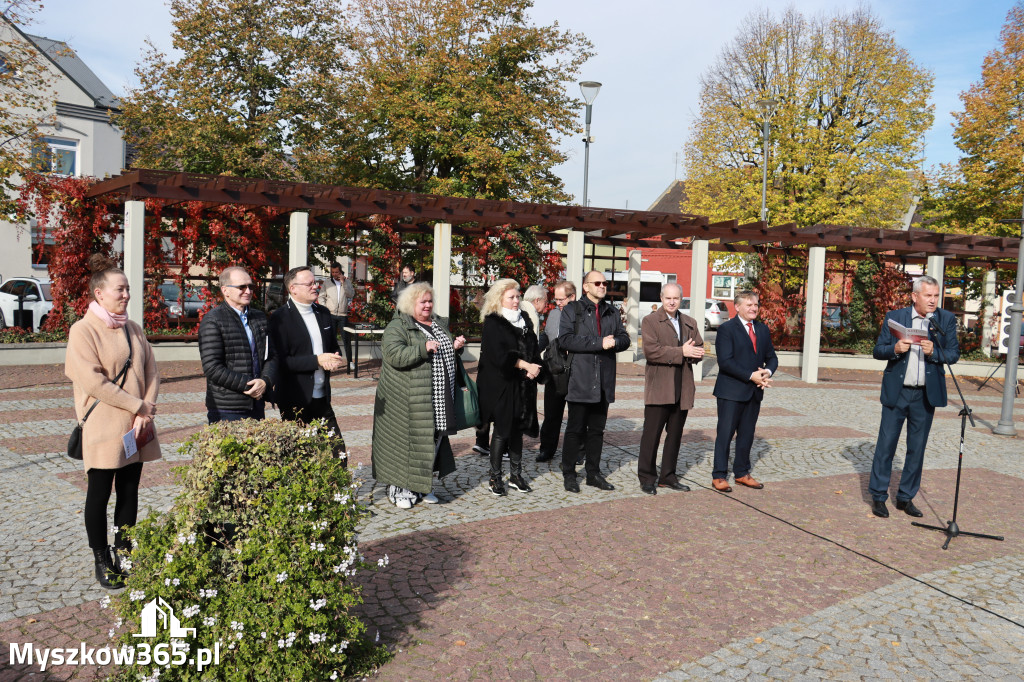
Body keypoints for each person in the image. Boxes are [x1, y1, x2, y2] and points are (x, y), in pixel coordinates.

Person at [65, 254, 160, 589]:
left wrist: (144, 411)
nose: (126, 295)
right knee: (100, 493)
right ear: (99, 293)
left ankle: (124, 551)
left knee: (130, 491)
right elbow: (93, 382)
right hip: (104, 427)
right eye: (119, 289)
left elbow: (152, 371)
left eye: (128, 289)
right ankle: (101, 558)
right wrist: (138, 405)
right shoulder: (83, 330)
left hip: (136, 426)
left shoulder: (134, 328)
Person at [868, 275, 959, 518]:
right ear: (914, 296)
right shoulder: (895, 317)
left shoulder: (945, 319)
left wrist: (935, 352)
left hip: (925, 396)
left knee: (916, 449)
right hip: (897, 393)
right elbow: (878, 351)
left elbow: (953, 354)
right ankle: (878, 497)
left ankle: (905, 497)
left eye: (936, 296)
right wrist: (895, 349)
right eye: (928, 295)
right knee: (886, 446)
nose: (932, 300)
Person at [372, 282, 466, 508]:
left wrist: (455, 347)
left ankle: (422, 486)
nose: (427, 305)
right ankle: (399, 488)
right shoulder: (398, 326)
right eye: (422, 301)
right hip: (407, 398)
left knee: (432, 441)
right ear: (410, 303)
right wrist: (422, 349)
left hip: (439, 397)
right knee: (405, 443)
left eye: (430, 301)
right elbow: (394, 355)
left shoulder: (438, 323)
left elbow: (442, 351)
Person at [558, 270, 631, 493]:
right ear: (586, 286)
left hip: (604, 381)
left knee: (597, 431)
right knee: (575, 429)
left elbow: (625, 339)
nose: (602, 286)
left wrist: (614, 342)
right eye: (597, 282)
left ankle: (593, 473)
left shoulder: (611, 311)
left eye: (604, 283)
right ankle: (569, 474)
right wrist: (599, 343)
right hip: (580, 378)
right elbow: (565, 340)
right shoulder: (572, 309)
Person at [269, 266, 347, 460]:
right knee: (300, 457)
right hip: (295, 399)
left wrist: (334, 358)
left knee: (338, 453)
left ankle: (339, 481)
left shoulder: (323, 313)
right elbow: (280, 362)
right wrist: (317, 360)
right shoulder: (279, 318)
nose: (315, 287)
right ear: (293, 288)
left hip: (322, 397)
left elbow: (332, 347)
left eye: (316, 282)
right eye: (310, 284)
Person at [477, 279, 543, 496]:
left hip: (523, 384)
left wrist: (535, 367)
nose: (516, 301)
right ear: (499, 299)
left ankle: (515, 475)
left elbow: (533, 348)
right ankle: (495, 477)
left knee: (517, 430)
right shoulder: (493, 321)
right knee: (502, 431)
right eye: (511, 297)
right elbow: (499, 356)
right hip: (501, 384)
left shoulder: (524, 319)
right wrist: (525, 365)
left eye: (517, 296)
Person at [638, 283, 705, 495]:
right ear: (661, 298)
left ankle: (668, 476)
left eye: (676, 298)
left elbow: (698, 347)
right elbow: (651, 351)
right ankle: (647, 477)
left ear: (681, 299)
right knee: (651, 436)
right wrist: (681, 352)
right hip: (659, 388)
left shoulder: (690, 322)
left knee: (674, 436)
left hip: (682, 388)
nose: (672, 302)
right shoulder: (650, 321)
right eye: (668, 298)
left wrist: (696, 354)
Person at [711, 290, 778, 492]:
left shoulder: (762, 329)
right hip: (731, 392)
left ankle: (741, 473)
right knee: (725, 434)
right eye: (749, 305)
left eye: (756, 304)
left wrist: (766, 372)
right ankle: (719, 475)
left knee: (747, 434)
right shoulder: (726, 329)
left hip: (754, 392)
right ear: (737, 307)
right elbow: (725, 361)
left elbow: (772, 357)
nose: (753, 308)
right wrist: (751, 375)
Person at [198, 266, 278, 423]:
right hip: (227, 408)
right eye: (242, 287)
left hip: (256, 404)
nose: (248, 291)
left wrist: (265, 381)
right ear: (225, 290)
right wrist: (249, 386)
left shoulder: (259, 318)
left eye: (251, 286)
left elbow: (271, 356)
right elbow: (212, 368)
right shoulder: (213, 320)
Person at [537, 280, 576, 463]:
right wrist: (534, 350)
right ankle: (547, 449)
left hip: (575, 370)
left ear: (572, 297)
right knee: (552, 413)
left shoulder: (581, 315)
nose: (558, 303)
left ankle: (577, 451)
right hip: (554, 370)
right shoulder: (553, 314)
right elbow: (546, 335)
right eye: (556, 300)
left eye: (562, 300)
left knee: (576, 415)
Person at [320, 261, 356, 371]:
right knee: (331, 339)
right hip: (330, 314)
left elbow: (351, 294)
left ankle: (350, 362)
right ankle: (331, 362)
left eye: (337, 272)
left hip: (342, 315)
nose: (335, 274)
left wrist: (343, 283)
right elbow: (321, 297)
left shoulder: (347, 282)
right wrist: (325, 309)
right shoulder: (327, 282)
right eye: (333, 272)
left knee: (346, 340)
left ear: (340, 272)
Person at [522, 284, 549, 351]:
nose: (546, 305)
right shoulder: (532, 316)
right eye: (545, 302)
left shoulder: (517, 307)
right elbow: (532, 347)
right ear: (537, 301)